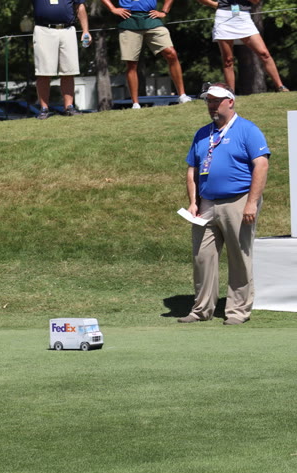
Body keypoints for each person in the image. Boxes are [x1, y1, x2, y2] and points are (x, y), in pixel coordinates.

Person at [179, 83, 269, 325]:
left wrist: (251, 203)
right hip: (206, 203)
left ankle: (237, 311)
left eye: (216, 101)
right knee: (202, 257)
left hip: (238, 200)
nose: (212, 106)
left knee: (239, 257)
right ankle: (201, 310)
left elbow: (261, 165)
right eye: (209, 101)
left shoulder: (248, 130)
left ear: (230, 102)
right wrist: (193, 202)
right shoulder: (202, 133)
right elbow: (192, 170)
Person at [101, 0, 192, 108]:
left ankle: (182, 96)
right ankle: (135, 104)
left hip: (151, 19)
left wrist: (164, 11)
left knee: (171, 54)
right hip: (129, 20)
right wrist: (112, 8)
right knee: (131, 63)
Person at [196, 0, 289, 93]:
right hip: (223, 17)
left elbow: (256, 1)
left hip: (243, 17)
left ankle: (280, 87)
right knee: (228, 60)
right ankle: (230, 93)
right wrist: (214, 4)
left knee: (264, 53)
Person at [31, 0, 92, 119]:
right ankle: (44, 109)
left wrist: (85, 30)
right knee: (43, 73)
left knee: (69, 71)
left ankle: (69, 107)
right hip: (44, 30)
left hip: (68, 30)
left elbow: (80, 6)